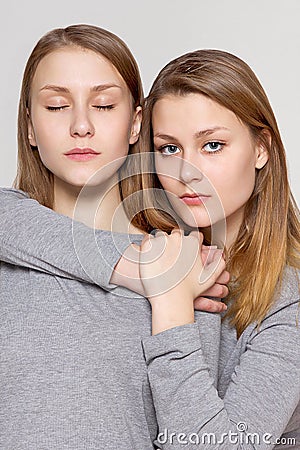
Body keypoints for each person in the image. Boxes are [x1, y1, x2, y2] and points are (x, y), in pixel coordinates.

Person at [0, 25, 228, 449]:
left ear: (134, 122)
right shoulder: (175, 268)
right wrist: (145, 267)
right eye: (55, 106)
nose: (81, 125)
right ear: (29, 127)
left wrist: (168, 284)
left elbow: (196, 436)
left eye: (103, 105)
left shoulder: (193, 266)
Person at [132, 49, 300, 449]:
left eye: (212, 145)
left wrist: (171, 306)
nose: (188, 171)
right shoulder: (145, 253)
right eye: (170, 149)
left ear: (261, 149)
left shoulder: (289, 299)